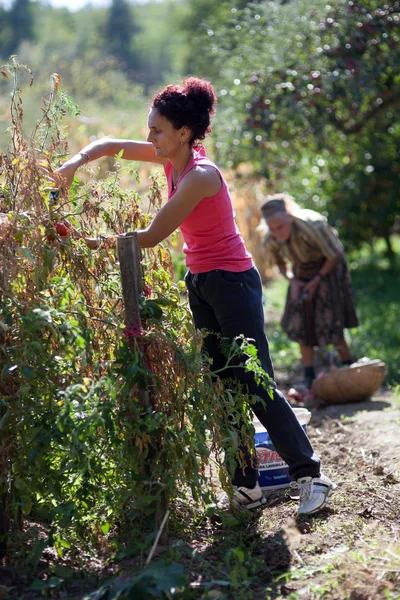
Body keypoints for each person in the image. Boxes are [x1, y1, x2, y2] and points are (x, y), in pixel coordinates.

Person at [55, 77, 334, 515]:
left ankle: (310, 476)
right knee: (223, 384)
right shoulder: (172, 158)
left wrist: (80, 239)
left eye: (157, 130)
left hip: (233, 284)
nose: (150, 138)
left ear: (183, 133)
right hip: (203, 283)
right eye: (149, 129)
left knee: (254, 380)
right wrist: (74, 162)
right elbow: (109, 144)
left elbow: (147, 238)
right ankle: (246, 487)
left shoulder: (200, 176)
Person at [260, 193, 358, 391]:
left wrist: (317, 281)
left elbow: (333, 255)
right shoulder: (270, 239)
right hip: (301, 269)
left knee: (330, 318)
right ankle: (309, 377)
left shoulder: (312, 225)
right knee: (302, 320)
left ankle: (350, 366)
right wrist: (292, 281)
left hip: (329, 266)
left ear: (289, 216)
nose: (277, 232)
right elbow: (280, 263)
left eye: (280, 226)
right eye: (273, 228)